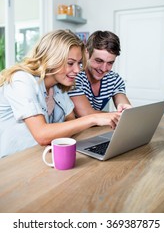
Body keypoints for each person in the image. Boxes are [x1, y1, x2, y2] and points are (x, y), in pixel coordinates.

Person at [0, 29, 121, 158]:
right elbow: (42, 135)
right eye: (70, 63)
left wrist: (56, 134)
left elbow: (70, 120)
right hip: (10, 163)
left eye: (79, 63)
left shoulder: (58, 86)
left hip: (39, 156)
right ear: (51, 59)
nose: (77, 70)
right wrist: (93, 118)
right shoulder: (21, 80)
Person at [68, 30, 131, 117]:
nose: (104, 69)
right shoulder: (73, 75)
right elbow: (85, 113)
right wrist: (120, 115)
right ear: (86, 53)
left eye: (110, 63)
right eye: (99, 61)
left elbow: (126, 109)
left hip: (95, 129)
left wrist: (125, 109)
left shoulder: (114, 79)